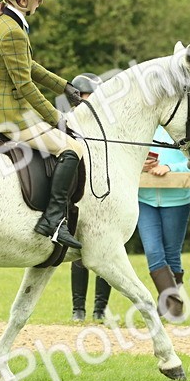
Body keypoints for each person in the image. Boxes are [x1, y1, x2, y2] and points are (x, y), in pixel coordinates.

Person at [0, 0, 85, 249]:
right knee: (71, 148)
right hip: (7, 113)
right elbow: (25, 85)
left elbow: (26, 65)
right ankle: (53, 221)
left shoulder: (3, 21)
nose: (40, 2)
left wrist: (63, 85)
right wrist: (57, 117)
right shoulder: (14, 32)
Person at [65, 74, 112, 321]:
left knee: (107, 250)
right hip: (79, 191)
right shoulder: (68, 122)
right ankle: (78, 309)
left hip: (103, 191)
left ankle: (100, 310)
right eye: (89, 95)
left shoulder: (106, 122)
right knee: (80, 251)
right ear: (78, 96)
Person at [138, 124, 190, 322]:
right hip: (144, 199)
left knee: (172, 255)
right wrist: (141, 166)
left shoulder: (184, 127)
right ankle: (175, 309)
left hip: (177, 200)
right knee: (153, 251)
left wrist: (170, 168)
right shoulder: (143, 126)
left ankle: (167, 307)